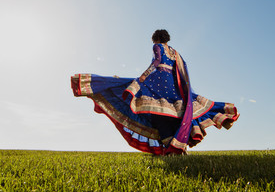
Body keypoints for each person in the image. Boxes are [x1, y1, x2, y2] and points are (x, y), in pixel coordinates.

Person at [71, 29, 239, 155]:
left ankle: (172, 150)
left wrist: (143, 77)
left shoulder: (157, 46)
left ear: (157, 38)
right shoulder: (175, 52)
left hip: (158, 82)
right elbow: (179, 71)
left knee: (156, 114)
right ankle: (178, 149)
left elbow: (158, 61)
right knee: (173, 116)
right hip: (172, 86)